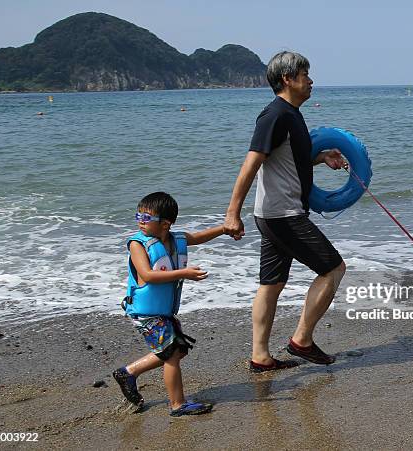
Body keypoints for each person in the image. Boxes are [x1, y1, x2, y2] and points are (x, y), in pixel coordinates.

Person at [223, 51, 347, 372]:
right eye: (304, 74)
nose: (310, 80)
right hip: (284, 215)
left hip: (273, 214)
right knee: (333, 269)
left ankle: (260, 356)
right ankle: (301, 340)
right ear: (287, 79)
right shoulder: (275, 115)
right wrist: (232, 212)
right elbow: (252, 163)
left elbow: (289, 160)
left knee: (272, 284)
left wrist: (321, 158)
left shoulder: (292, 115)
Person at [113, 192, 226, 416]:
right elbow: (148, 275)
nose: (140, 222)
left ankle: (129, 373)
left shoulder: (177, 240)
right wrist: (183, 272)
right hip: (146, 313)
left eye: (146, 218)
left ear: (165, 224)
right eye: (138, 216)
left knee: (176, 350)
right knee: (172, 354)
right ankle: (177, 404)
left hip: (163, 312)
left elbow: (199, 237)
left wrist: (225, 229)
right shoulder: (138, 244)